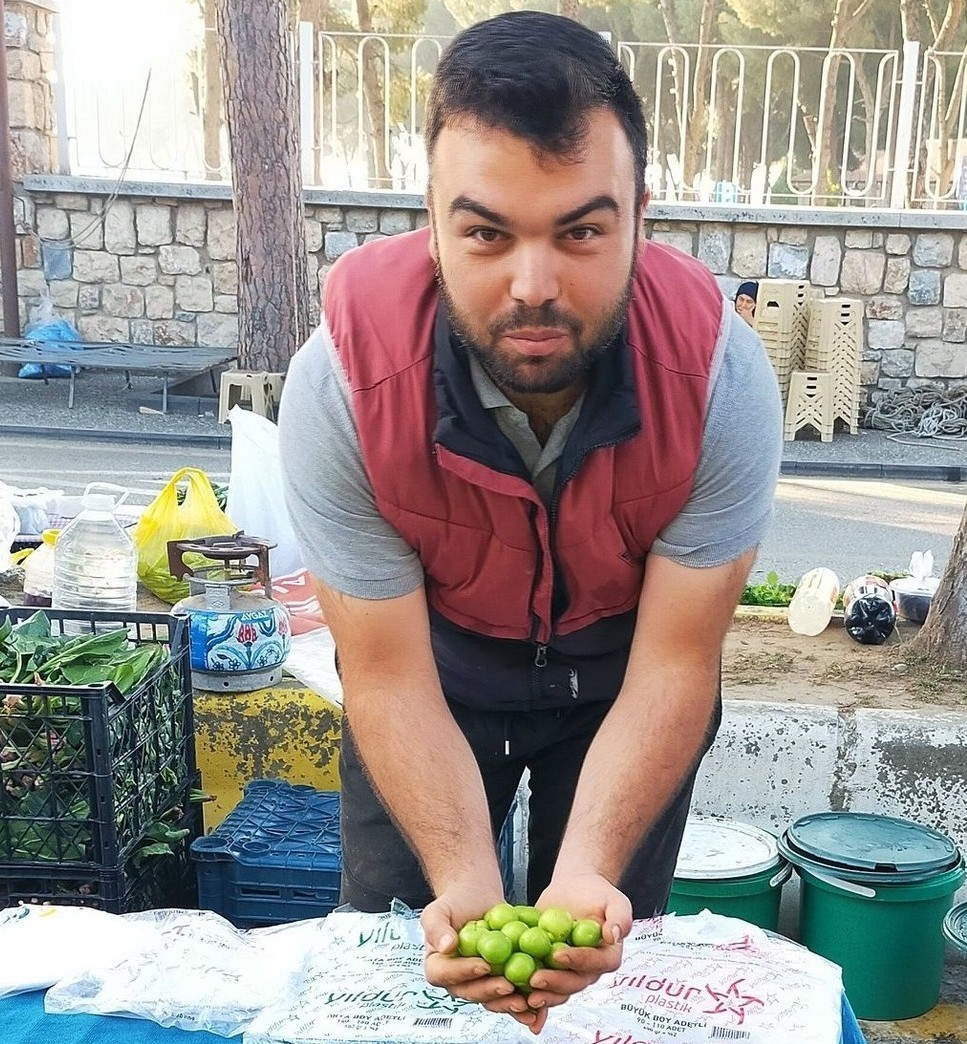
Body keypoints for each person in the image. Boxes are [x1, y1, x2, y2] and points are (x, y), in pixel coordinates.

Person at [278, 11, 782, 1033]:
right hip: (437, 671)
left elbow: (676, 665)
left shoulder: (722, 380)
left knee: (602, 971)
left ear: (644, 212)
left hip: (618, 677)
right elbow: (383, 674)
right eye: (485, 233)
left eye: (582, 231)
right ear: (431, 220)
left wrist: (590, 869)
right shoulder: (340, 385)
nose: (534, 287)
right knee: (399, 963)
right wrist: (463, 880)